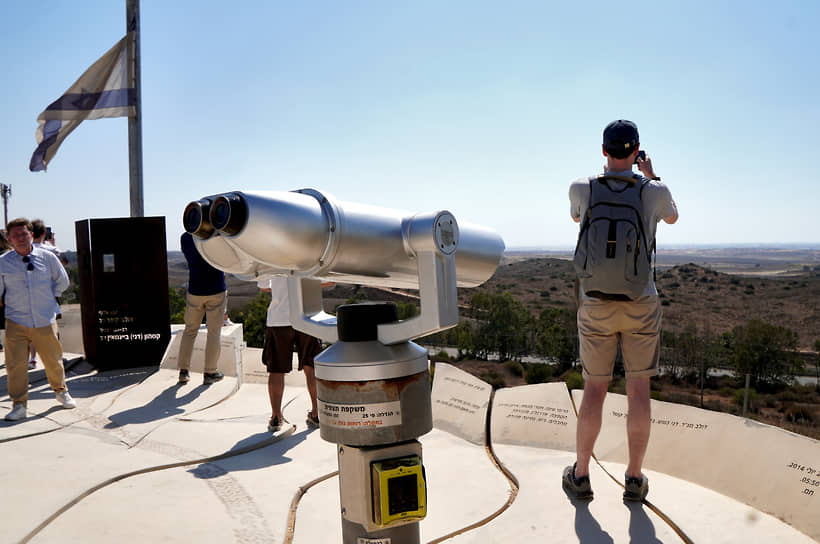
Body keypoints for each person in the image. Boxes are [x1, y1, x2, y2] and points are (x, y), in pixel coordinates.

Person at [562, 120, 678, 502]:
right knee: (638, 388)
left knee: (594, 388)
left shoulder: (582, 187)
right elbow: (672, 216)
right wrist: (650, 174)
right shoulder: (653, 191)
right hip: (640, 301)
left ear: (603, 149)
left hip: (595, 300)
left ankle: (580, 475)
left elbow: (578, 218)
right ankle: (634, 478)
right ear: (636, 149)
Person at [1, 218, 75, 421]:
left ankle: (61, 392)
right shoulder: (3, 263)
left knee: (53, 359)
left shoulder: (47, 257)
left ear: (31, 235)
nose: (20, 238)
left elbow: (62, 281)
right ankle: (19, 405)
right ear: (9, 239)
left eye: (24, 234)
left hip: (44, 318)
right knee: (15, 365)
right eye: (15, 235)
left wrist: (49, 296)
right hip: (16, 319)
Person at [258, 275, 324, 432]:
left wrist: (282, 289)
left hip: (279, 319)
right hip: (306, 317)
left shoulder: (272, 258)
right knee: (310, 365)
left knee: (276, 370)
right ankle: (316, 413)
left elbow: (263, 285)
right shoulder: (309, 255)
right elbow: (329, 281)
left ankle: (276, 416)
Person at [177, 232, 226, 385]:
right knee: (213, 332)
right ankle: (210, 372)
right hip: (216, 289)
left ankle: (183, 371)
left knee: (190, 330)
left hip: (195, 290)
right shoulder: (217, 237)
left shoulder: (185, 238)